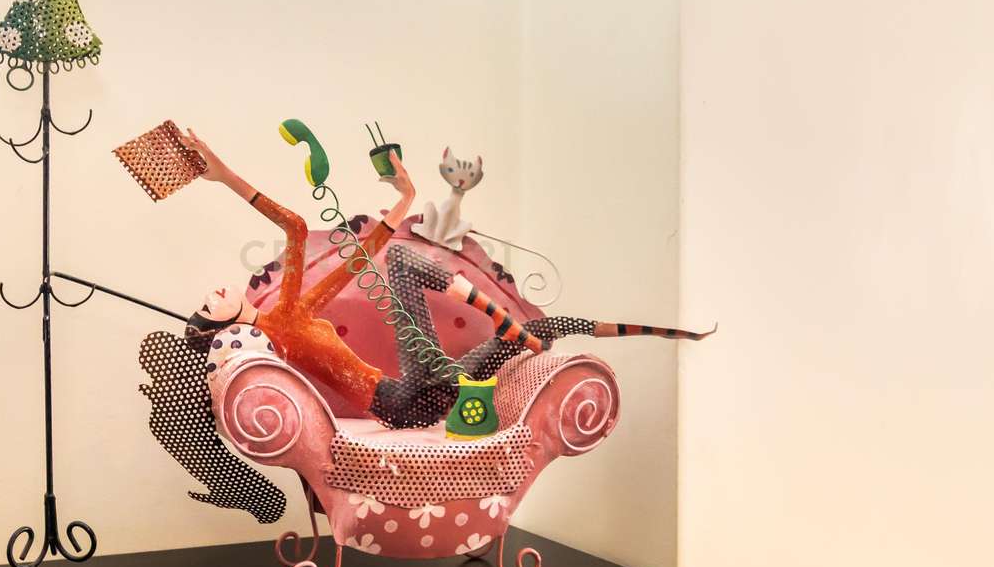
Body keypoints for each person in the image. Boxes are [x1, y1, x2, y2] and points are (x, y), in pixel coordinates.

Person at [178, 130, 712, 429]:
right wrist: (223, 176)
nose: (212, 294)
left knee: (538, 331)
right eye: (208, 306)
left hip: (419, 392)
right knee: (406, 268)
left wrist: (406, 200)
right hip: (401, 402)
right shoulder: (274, 332)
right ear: (220, 326)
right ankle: (496, 315)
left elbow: (357, 256)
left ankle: (670, 333)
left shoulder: (290, 314)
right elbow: (296, 227)